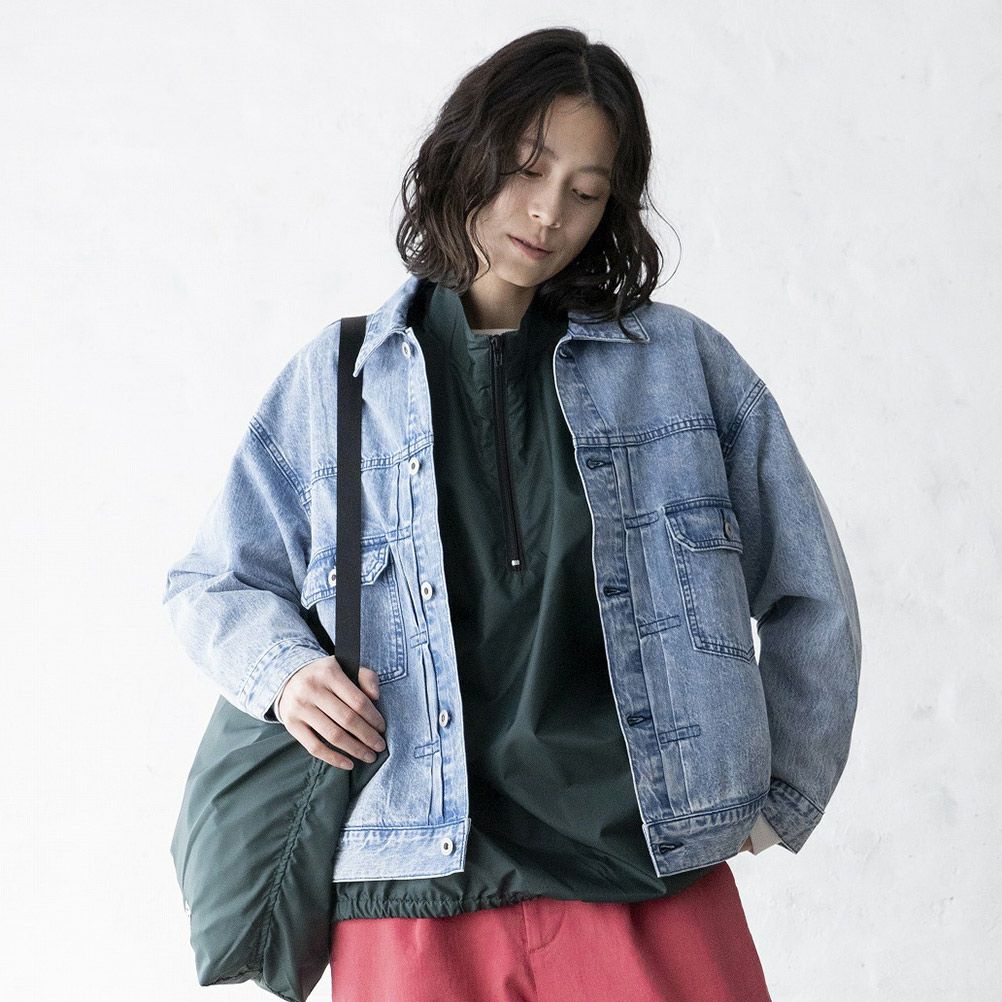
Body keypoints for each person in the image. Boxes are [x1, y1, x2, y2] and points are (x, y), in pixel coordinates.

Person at [163, 26, 861, 1002]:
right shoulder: (341, 380)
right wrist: (285, 674)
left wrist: (781, 796)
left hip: (646, 871)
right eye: (529, 169)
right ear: (469, 153)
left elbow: (809, 589)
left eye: (586, 191)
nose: (549, 213)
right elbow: (213, 581)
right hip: (413, 886)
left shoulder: (677, 366)